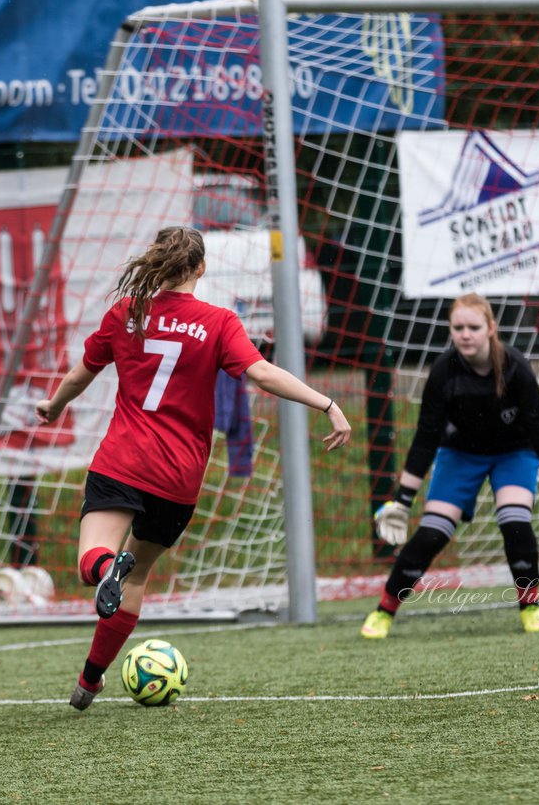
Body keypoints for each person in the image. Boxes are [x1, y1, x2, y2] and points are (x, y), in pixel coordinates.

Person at [36, 225, 352, 710]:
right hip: (178, 478)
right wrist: (326, 403)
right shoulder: (218, 322)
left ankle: (104, 568)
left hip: (122, 461)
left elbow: (83, 372)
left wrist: (55, 406)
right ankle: (89, 681)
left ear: (157, 265)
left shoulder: (127, 313)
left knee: (91, 562)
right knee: (136, 579)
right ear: (201, 268)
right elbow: (263, 373)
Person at [361, 293, 539, 640]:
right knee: (431, 534)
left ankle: (530, 606)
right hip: (460, 454)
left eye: (473, 327)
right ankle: (384, 610)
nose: (465, 334)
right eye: (458, 327)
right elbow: (425, 439)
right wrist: (402, 500)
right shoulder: (443, 372)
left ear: (490, 328)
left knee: (515, 522)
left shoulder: (515, 367)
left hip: (514, 453)